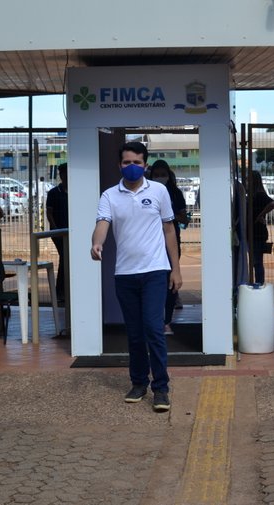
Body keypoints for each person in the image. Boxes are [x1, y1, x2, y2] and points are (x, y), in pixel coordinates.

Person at [91, 142, 182, 412]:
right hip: (125, 275)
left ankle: (161, 388)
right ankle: (138, 383)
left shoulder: (159, 191)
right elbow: (102, 223)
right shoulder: (110, 195)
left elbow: (169, 230)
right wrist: (97, 243)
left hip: (155, 271)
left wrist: (176, 268)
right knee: (134, 334)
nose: (132, 167)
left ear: (145, 165)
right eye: (127, 162)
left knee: (154, 329)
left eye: (137, 163)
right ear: (119, 165)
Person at [149, 159, 189, 336]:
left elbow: (184, 219)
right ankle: (154, 320)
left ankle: (166, 321)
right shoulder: (145, 192)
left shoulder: (175, 193)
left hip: (170, 243)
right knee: (153, 281)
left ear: (169, 176)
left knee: (170, 282)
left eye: (163, 175)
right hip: (150, 243)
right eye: (156, 175)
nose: (160, 178)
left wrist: (168, 216)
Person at [46, 163, 69, 303]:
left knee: (68, 259)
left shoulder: (76, 191)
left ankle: (65, 291)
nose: (65, 176)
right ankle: (60, 292)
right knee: (65, 258)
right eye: (63, 173)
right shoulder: (54, 193)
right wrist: (55, 229)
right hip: (59, 232)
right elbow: (49, 213)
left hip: (72, 232)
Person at [250, 170, 274, 284]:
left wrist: (260, 215)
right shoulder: (253, 194)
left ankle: (259, 283)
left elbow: (272, 203)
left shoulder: (259, 194)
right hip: (256, 231)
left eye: (249, 179)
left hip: (258, 232)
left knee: (257, 261)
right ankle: (258, 283)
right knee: (256, 261)